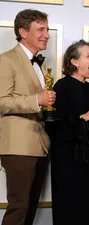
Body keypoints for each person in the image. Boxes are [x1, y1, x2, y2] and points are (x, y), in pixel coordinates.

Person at [0, 9, 55, 225]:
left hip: (40, 145)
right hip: (17, 146)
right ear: (23, 32)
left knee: (30, 208)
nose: (47, 34)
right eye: (40, 29)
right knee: (19, 207)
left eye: (47, 29)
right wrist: (36, 100)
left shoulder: (39, 64)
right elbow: (2, 100)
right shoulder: (6, 60)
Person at [50, 39, 89, 225]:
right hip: (67, 160)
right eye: (88, 55)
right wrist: (87, 115)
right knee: (70, 208)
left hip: (87, 159)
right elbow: (56, 126)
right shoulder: (61, 86)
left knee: (88, 206)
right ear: (74, 62)